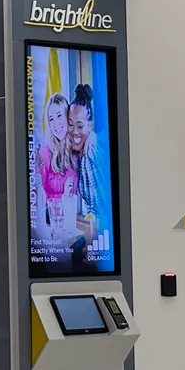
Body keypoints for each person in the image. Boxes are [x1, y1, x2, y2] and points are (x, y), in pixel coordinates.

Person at [69, 83, 107, 253]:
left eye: (80, 126)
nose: (74, 131)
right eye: (70, 124)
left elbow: (106, 204)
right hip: (98, 232)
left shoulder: (92, 148)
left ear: (89, 126)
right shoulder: (80, 155)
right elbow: (93, 206)